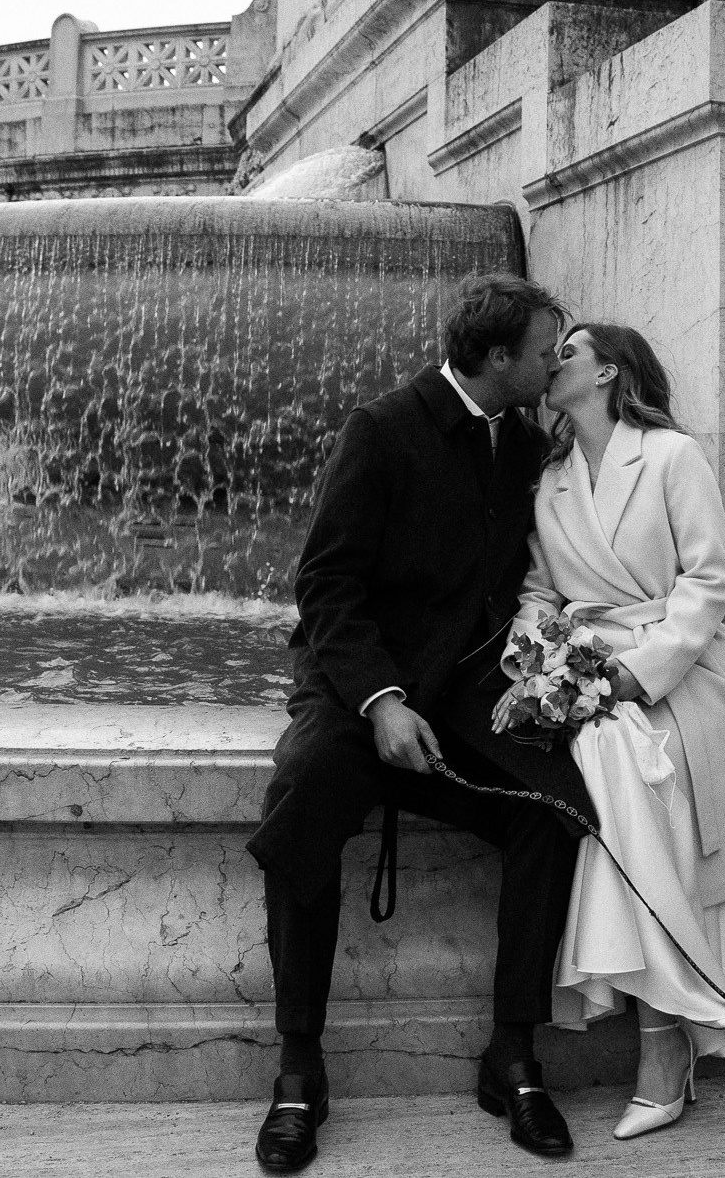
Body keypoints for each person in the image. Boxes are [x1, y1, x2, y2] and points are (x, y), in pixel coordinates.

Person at [247, 275, 596, 1172]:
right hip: (358, 684)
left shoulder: (525, 445)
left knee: (552, 809)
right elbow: (324, 585)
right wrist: (381, 701)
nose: (555, 361)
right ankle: (298, 1070)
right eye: (544, 349)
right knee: (304, 799)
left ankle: (511, 1054)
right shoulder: (381, 428)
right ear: (494, 358)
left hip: (467, 692)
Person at [497, 322, 725, 1140]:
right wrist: (542, 657)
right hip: (587, 667)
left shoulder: (672, 456)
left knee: (619, 749)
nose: (551, 360)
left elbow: (710, 583)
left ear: (608, 371)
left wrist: (639, 676)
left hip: (683, 669)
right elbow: (537, 591)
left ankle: (665, 1039)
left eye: (566, 350)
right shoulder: (550, 477)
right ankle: (670, 1021)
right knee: (606, 746)